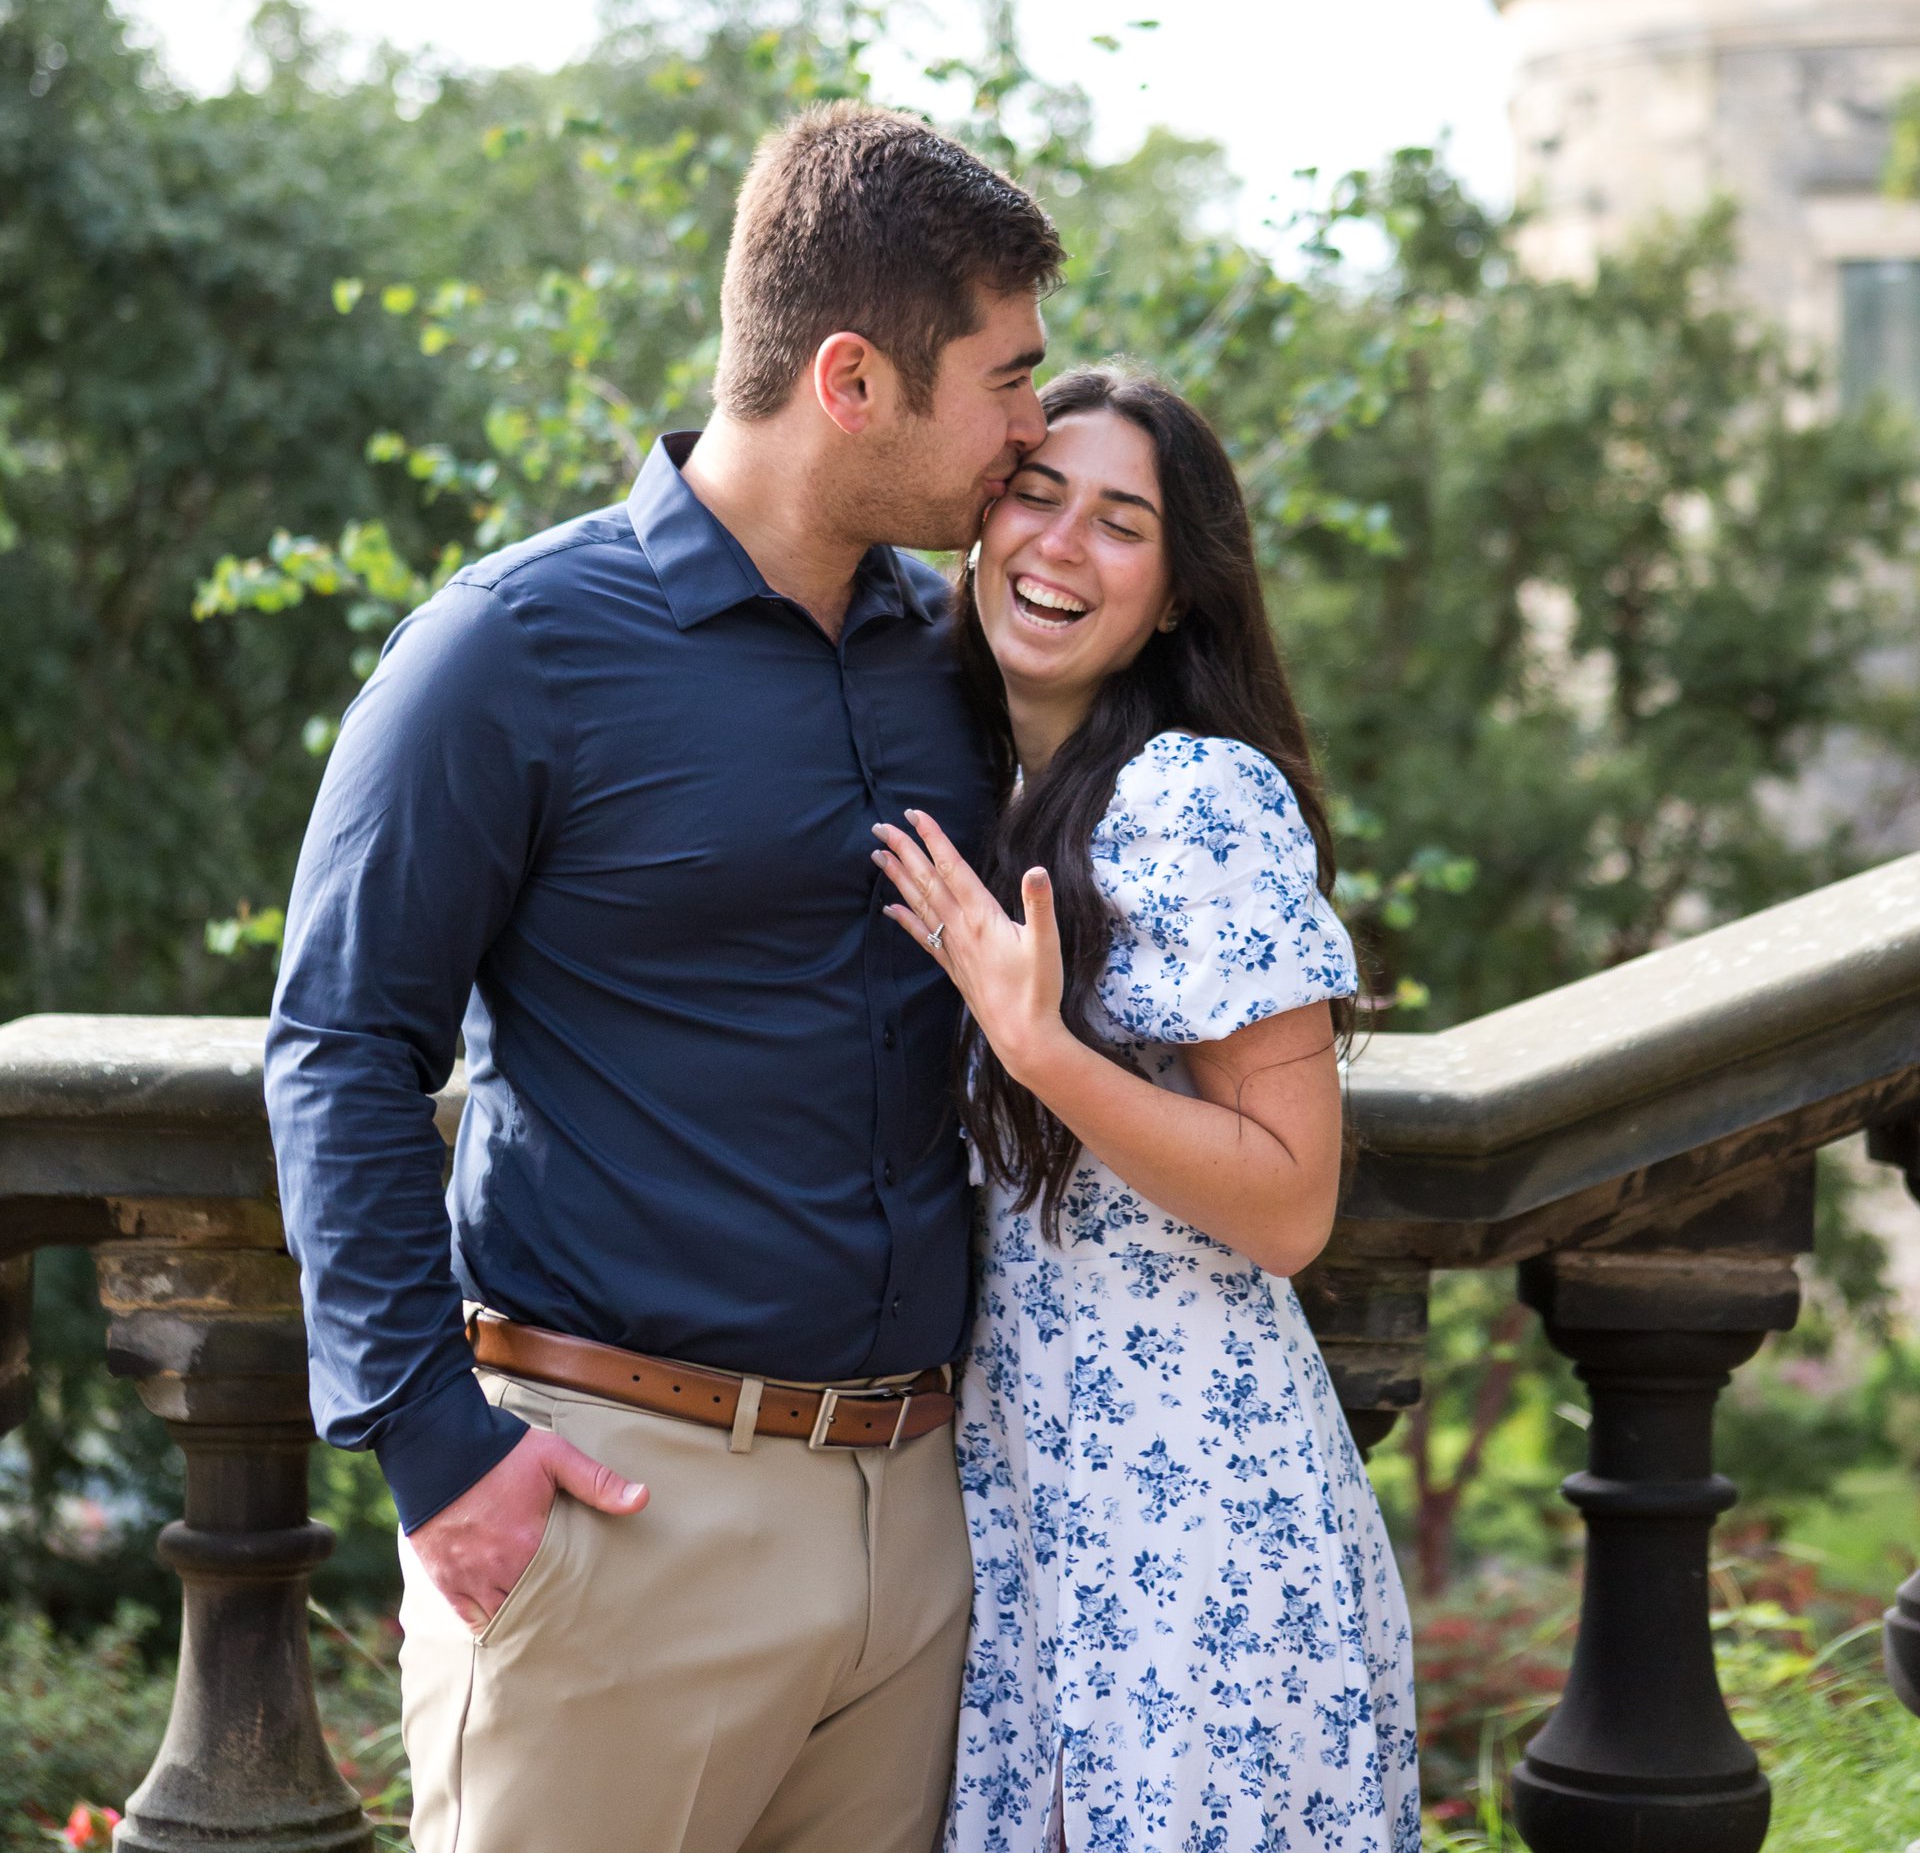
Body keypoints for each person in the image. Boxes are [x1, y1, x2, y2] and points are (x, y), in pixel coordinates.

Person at [264, 103, 1063, 1853]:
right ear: (852, 381)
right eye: (1007, 379)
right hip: (620, 1516)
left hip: (921, 1529)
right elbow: (338, 1044)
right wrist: (433, 1451)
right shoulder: (506, 650)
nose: (1035, 425)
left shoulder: (958, 658)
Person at [871, 367, 1420, 1853]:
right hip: (1035, 1498)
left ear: (1178, 596)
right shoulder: (992, 791)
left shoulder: (1193, 798)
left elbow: (1291, 1203)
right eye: (1036, 495)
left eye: (1121, 523)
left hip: (1196, 1517)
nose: (1060, 544)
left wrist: (1040, 1049)